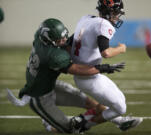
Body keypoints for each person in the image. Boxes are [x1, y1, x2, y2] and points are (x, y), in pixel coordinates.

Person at [6, 18, 125, 134]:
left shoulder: (40, 37)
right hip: (39, 97)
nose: (63, 40)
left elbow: (68, 44)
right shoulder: (53, 56)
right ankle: (49, 125)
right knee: (69, 129)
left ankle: (119, 121)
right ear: (49, 40)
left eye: (63, 36)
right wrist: (102, 68)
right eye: (59, 40)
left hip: (50, 86)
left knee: (91, 103)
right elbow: (78, 69)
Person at [70, 0, 143, 131]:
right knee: (121, 108)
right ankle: (83, 126)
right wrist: (121, 48)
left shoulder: (86, 19)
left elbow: (72, 41)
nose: (117, 16)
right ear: (109, 12)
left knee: (120, 99)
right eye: (116, 13)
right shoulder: (103, 24)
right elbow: (106, 53)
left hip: (89, 74)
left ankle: (117, 122)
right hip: (88, 77)